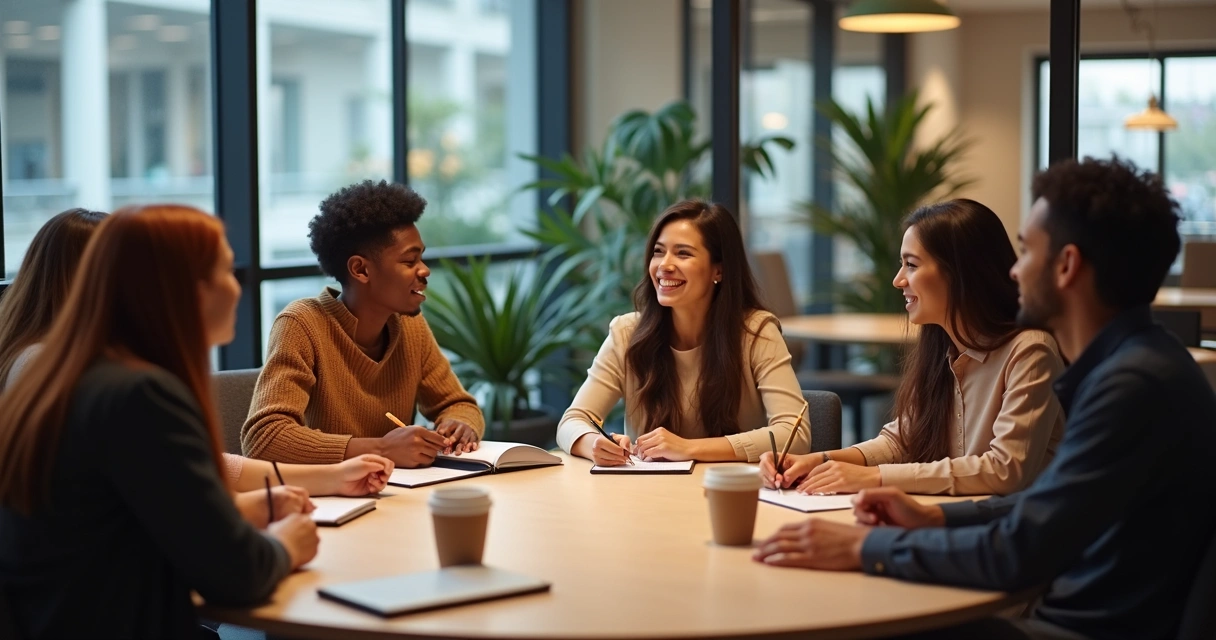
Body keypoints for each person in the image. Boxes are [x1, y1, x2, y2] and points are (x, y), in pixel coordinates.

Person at [752, 157, 1216, 640]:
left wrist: (864, 548)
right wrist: (933, 515)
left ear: (1066, 265)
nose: (1013, 271)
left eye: (1025, 251)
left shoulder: (1131, 386)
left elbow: (1020, 549)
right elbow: (1043, 506)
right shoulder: (1131, 366)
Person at [0, 205, 320, 638]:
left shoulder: (69, 378)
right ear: (184, 290)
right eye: (226, 271)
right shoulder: (139, 394)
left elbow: (121, 527)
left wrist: (245, 511)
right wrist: (287, 543)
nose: (238, 286)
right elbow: (236, 574)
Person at [0, 208, 395, 521]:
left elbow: (191, 470)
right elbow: (191, 520)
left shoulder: (48, 363)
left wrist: (331, 477)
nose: (236, 286)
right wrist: (281, 542)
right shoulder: (114, 385)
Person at [760, 199, 1065, 496]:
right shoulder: (942, 347)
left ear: (960, 272)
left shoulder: (1031, 351)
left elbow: (1004, 470)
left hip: (1011, 537)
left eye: (911, 264)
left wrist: (874, 478)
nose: (898, 280)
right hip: (954, 524)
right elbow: (901, 441)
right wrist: (822, 460)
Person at [242, 180, 484, 467]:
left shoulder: (410, 326)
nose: (425, 270)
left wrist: (459, 423)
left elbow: (459, 403)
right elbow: (265, 438)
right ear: (361, 269)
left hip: (396, 493)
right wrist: (381, 449)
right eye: (410, 261)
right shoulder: (302, 324)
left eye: (422, 258)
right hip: (327, 501)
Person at [557, 200, 809, 466]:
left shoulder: (756, 333)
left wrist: (689, 448)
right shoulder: (626, 334)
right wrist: (593, 443)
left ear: (718, 269)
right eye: (658, 251)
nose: (664, 265)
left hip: (730, 496)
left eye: (683, 253)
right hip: (648, 499)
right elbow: (572, 421)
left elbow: (795, 435)